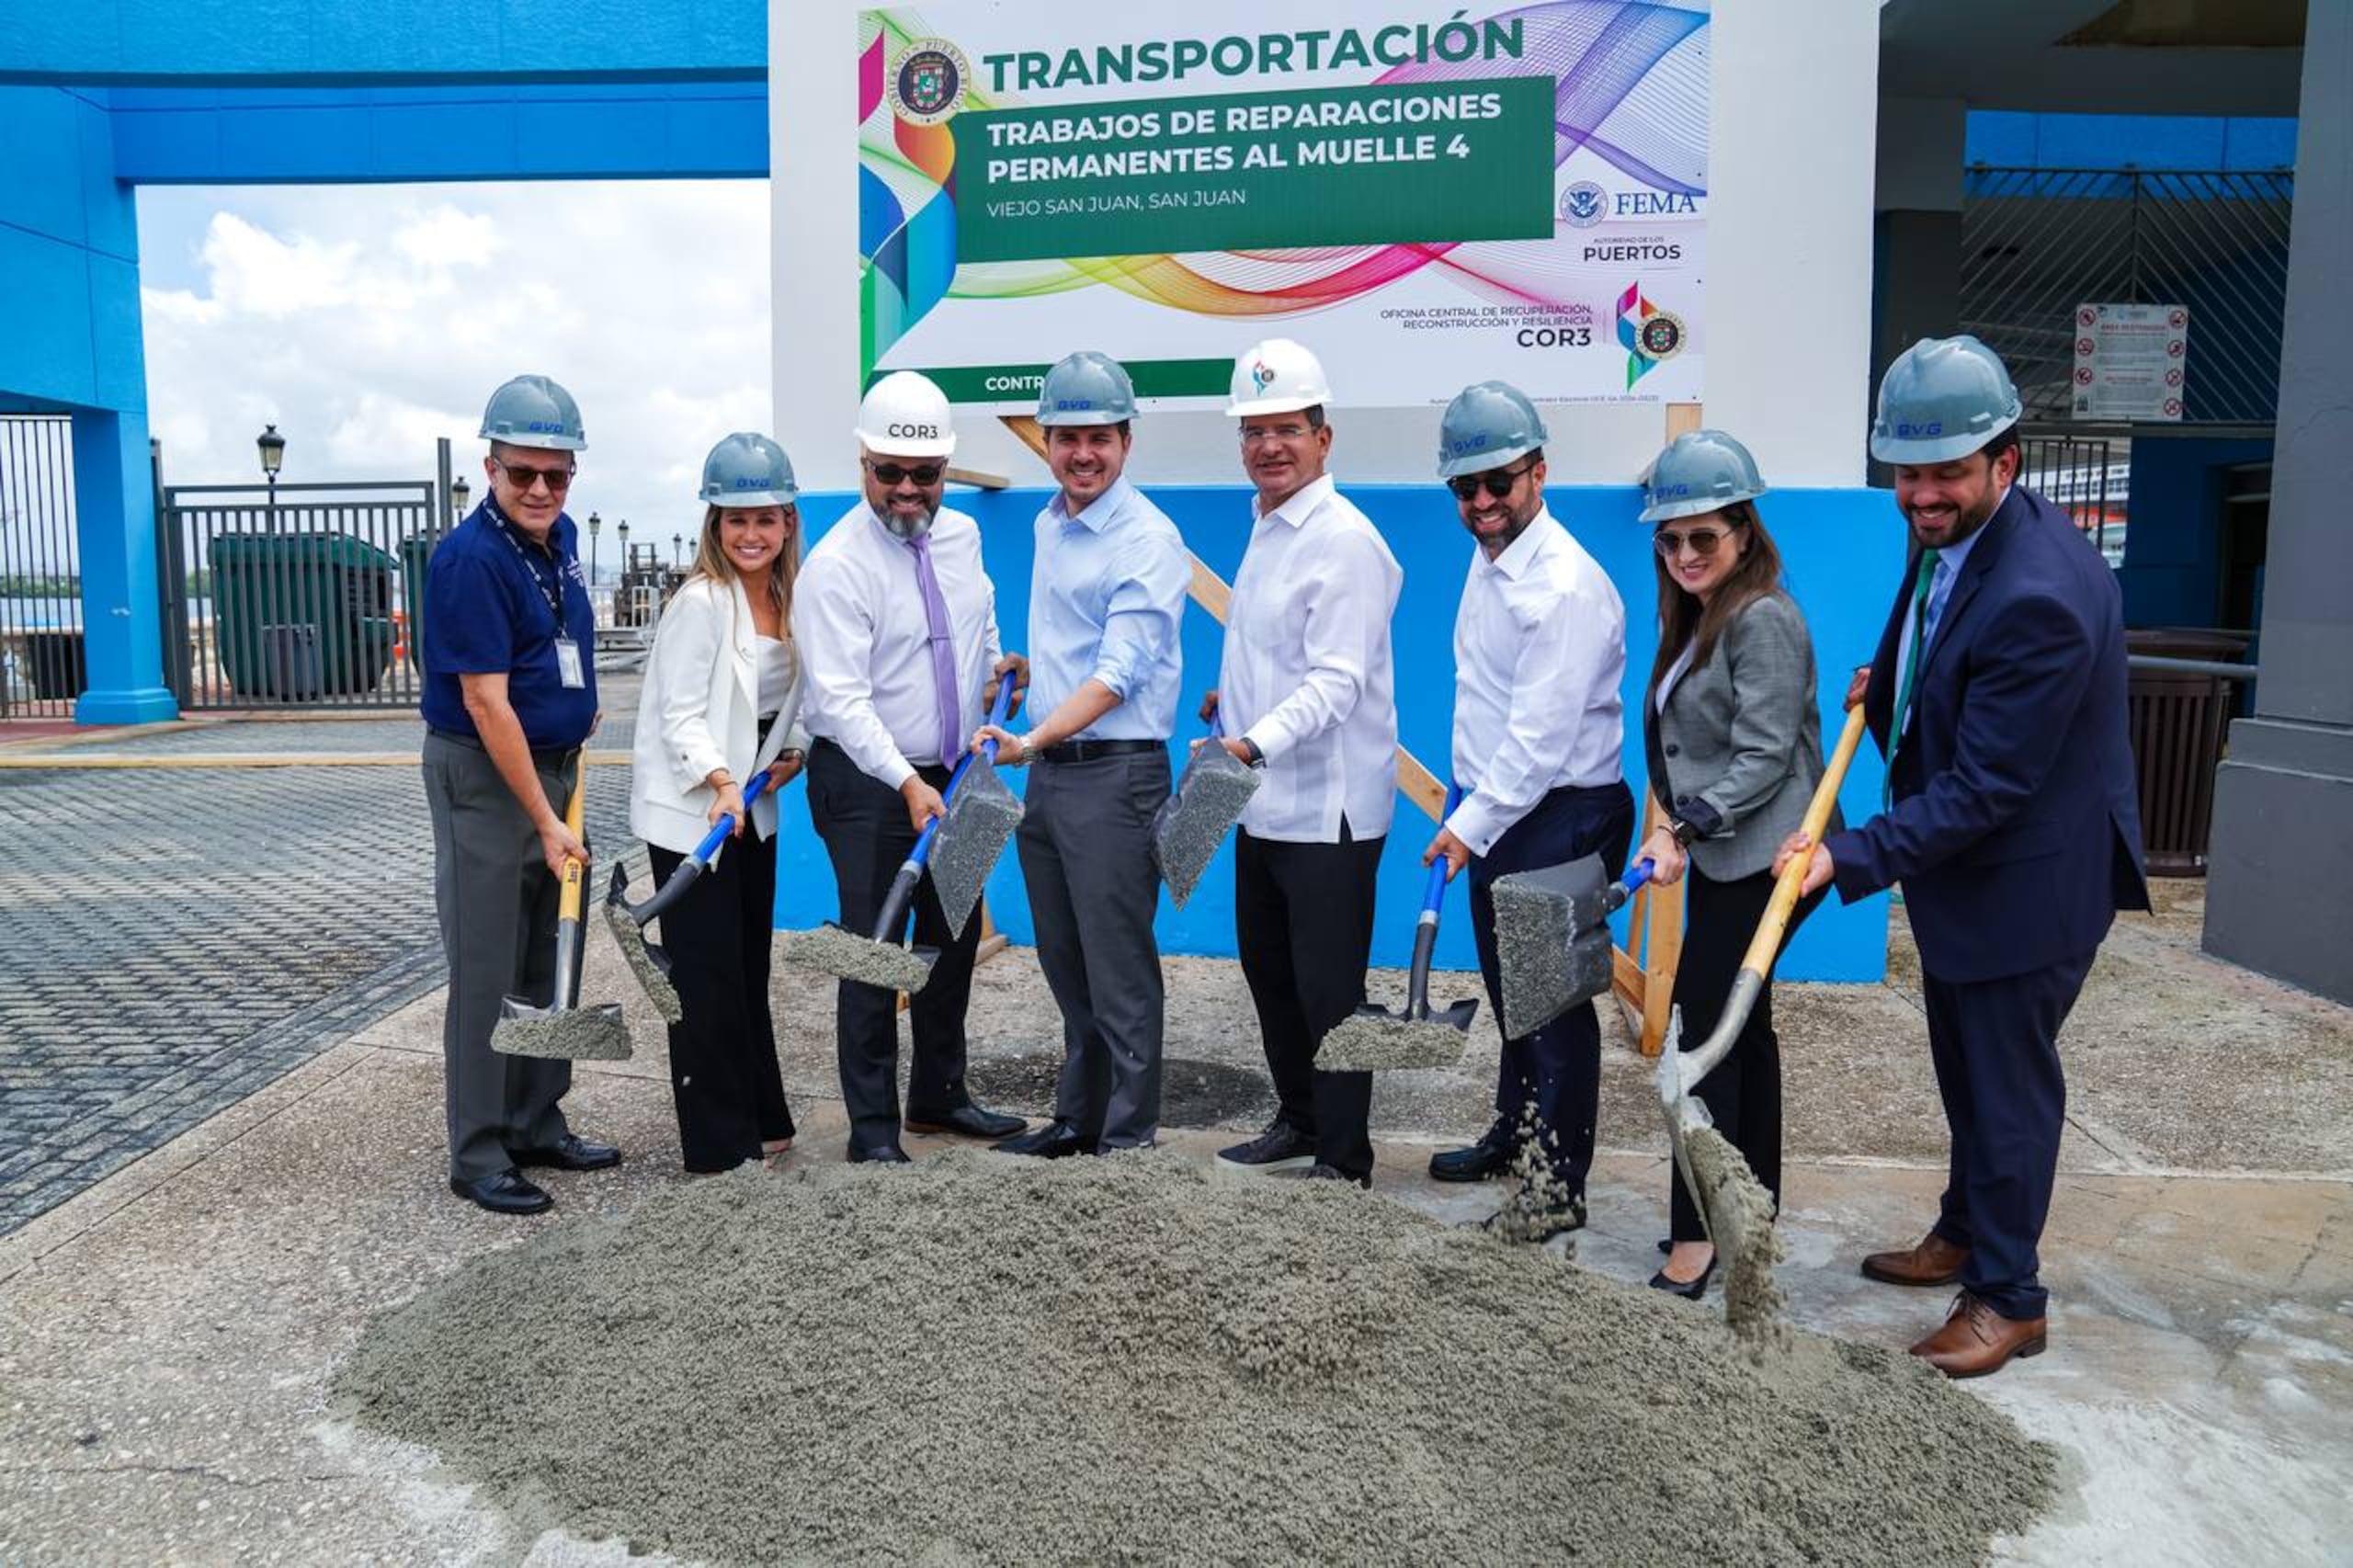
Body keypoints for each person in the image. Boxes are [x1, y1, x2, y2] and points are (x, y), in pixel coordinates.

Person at [1777, 335, 2148, 1377]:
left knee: (2007, 1091)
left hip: (2028, 884)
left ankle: (2007, 1298)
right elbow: (1929, 627)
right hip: (1972, 876)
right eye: (1907, 472)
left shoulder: (2040, 594)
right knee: (1968, 1072)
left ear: (2004, 461)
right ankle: (1964, 1229)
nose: (1922, 494)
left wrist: (1846, 855)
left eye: (1945, 472)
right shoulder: (1956, 537)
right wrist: (1890, 679)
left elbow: (1989, 787)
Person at [792, 371, 1029, 1163]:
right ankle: (872, 1130)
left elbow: (978, 620)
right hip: (869, 783)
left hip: (956, 776)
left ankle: (939, 1097)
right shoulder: (836, 567)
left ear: (945, 469)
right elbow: (842, 702)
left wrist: (998, 667)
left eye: (923, 474)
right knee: (876, 951)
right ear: (863, 462)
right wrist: (906, 782)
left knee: (952, 940)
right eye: (888, 471)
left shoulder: (961, 537)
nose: (905, 489)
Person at [1418, 382, 1633, 1239]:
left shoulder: (1565, 588)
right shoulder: (1492, 558)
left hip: (1561, 813)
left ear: (1538, 473)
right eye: (1464, 487)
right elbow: (1488, 699)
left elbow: (1540, 741)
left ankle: (1557, 1181)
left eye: (1498, 482)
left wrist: (1465, 827)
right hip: (1502, 807)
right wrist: (1467, 796)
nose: (1481, 501)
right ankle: (1516, 1134)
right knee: (1515, 994)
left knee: (1552, 1009)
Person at [1630, 428, 1831, 1296]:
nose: (1684, 553)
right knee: (1742, 1037)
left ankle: (1701, 1233)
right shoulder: (1700, 614)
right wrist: (1680, 829)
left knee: (1700, 1042)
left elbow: (1763, 755)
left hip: (1770, 858)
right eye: (1669, 539)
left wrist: (1683, 830)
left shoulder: (1764, 619)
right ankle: (1751, 1213)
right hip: (1728, 854)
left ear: (1744, 532)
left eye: (1703, 536)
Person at [972, 353, 1189, 1158]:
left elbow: (1117, 675)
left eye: (1099, 438)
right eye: (1067, 438)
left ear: (1127, 441)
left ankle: (1127, 1143)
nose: (1082, 454)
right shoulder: (1050, 523)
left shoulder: (1148, 540)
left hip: (1114, 778)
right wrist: (1033, 673)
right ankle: (1078, 1120)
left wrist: (1030, 738)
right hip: (1053, 774)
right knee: (1065, 959)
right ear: (1047, 441)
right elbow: (1079, 650)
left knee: (1118, 967)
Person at [420, 373, 621, 1216]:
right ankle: (478, 1153)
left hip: (556, 765)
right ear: (490, 469)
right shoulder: (469, 561)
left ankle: (536, 1120)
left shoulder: (558, 537)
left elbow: (559, 639)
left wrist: (576, 708)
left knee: (549, 953)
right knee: (488, 966)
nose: (540, 489)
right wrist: (542, 817)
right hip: (489, 777)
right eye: (522, 473)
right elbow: (483, 701)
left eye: (556, 474)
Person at [1206, 338, 1402, 1188]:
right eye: (1254, 431)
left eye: (1286, 428)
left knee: (1330, 992)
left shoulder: (1342, 540)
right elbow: (1274, 651)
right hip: (1261, 800)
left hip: (1329, 809)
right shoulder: (1268, 524)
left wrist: (1252, 741)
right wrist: (1232, 705)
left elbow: (1335, 681)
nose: (1269, 446)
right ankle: (1299, 1116)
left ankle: (1344, 1158)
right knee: (1272, 974)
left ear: (1324, 437)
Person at [629, 433, 811, 1174]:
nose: (751, 534)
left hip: (750, 811)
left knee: (747, 969)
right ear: (715, 524)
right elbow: (679, 716)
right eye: (736, 520)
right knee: (705, 982)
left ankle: (763, 1119)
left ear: (787, 522)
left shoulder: (791, 600)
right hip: (695, 815)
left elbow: (788, 705)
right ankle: (719, 1149)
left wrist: (796, 750)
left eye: (765, 518)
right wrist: (721, 782)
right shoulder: (701, 603)